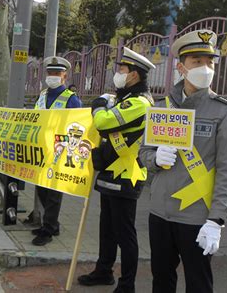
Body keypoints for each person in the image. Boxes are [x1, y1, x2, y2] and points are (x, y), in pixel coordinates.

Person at [139, 29, 227, 293]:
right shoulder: (162, 107)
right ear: (181, 67)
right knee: (161, 280)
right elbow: (143, 153)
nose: (205, 68)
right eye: (197, 61)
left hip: (197, 218)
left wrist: (216, 220)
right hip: (160, 213)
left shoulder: (225, 111)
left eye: (210, 62)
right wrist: (155, 159)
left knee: (198, 283)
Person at [78, 47, 155, 293]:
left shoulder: (139, 103)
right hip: (112, 171)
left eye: (122, 69)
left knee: (125, 234)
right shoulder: (123, 99)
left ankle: (127, 285)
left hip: (127, 175)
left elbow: (102, 122)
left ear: (134, 75)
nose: (118, 73)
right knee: (107, 229)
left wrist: (99, 104)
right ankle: (104, 271)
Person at [31, 56, 83, 246]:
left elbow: (78, 126)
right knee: (41, 189)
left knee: (53, 192)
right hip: (41, 149)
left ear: (64, 76)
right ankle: (53, 224)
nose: (52, 76)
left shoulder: (72, 99)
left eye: (56, 73)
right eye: (50, 73)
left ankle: (48, 229)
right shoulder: (43, 95)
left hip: (60, 151)